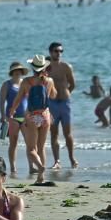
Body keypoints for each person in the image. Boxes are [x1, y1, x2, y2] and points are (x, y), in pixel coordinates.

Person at [9, 55, 55, 183]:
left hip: (31, 116)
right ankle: (41, 177)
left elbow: (18, 99)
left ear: (32, 68)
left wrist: (12, 110)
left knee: (31, 149)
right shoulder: (49, 81)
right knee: (41, 147)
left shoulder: (26, 82)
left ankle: (40, 167)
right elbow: (53, 95)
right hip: (45, 116)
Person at [46, 41, 78, 169]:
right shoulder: (46, 68)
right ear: (50, 52)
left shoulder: (66, 67)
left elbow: (72, 84)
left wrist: (66, 94)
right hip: (52, 104)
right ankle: (57, 161)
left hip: (64, 103)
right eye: (56, 51)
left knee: (67, 133)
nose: (58, 53)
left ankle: (72, 158)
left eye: (60, 51)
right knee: (54, 133)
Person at [0, 61, 28, 175]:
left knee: (30, 143)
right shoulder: (7, 84)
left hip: (26, 117)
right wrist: (3, 116)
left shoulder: (25, 83)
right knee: (13, 143)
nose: (17, 73)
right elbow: (2, 102)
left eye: (19, 71)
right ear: (11, 72)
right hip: (12, 117)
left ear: (22, 72)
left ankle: (32, 166)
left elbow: (30, 100)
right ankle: (13, 167)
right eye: (15, 71)